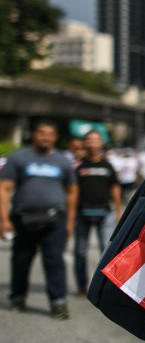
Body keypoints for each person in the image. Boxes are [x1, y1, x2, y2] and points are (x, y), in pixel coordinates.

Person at [0, 120, 78, 319]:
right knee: (21, 261)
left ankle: (58, 302)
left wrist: (69, 222)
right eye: (41, 133)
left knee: (54, 261)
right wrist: (4, 220)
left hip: (54, 220)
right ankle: (17, 297)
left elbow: (72, 191)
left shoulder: (62, 161)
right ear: (33, 134)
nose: (45, 137)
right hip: (23, 218)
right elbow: (5, 188)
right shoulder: (19, 158)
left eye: (50, 133)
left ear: (55, 137)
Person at [74, 130, 122, 295]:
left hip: (105, 212)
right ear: (85, 143)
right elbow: (72, 192)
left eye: (96, 139)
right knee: (80, 251)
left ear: (101, 143)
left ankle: (103, 288)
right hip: (82, 214)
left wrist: (118, 211)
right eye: (89, 140)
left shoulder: (108, 166)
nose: (93, 143)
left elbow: (115, 188)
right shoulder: (78, 166)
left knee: (106, 251)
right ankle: (81, 286)